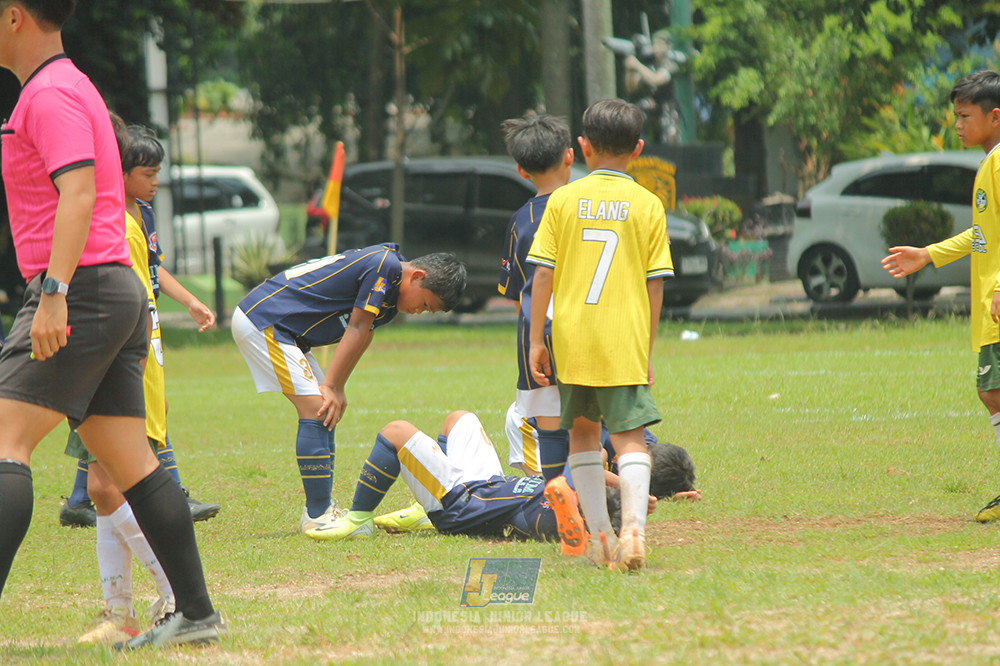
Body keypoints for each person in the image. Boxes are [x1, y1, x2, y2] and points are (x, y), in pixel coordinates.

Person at [0, 0, 224, 648]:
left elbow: (78, 192)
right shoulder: (61, 90)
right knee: (133, 463)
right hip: (109, 289)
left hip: (83, 289)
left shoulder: (52, 93)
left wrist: (55, 293)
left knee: (6, 443)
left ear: (16, 16)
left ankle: (195, 611)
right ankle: (197, 613)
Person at [526, 99, 673, 571]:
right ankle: (634, 533)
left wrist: (536, 340)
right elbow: (655, 285)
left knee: (583, 436)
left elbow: (542, 277)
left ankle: (602, 539)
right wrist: (644, 348)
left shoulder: (563, 200)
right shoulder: (649, 205)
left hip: (572, 338)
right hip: (621, 338)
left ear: (583, 147)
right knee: (629, 438)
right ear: (638, 149)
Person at [232, 245, 466, 535]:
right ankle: (317, 515)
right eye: (425, 304)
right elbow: (356, 326)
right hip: (265, 320)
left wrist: (337, 387)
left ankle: (322, 508)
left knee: (325, 409)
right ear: (417, 276)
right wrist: (329, 385)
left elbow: (365, 332)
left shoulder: (391, 287)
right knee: (317, 410)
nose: (419, 312)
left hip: (284, 330)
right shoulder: (385, 267)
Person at [59, 125, 220, 529]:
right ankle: (172, 493)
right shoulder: (109, 215)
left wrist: (190, 301)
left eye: (157, 174)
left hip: (144, 320)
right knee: (137, 409)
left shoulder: (141, 213)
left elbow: (152, 267)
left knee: (139, 409)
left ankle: (81, 499)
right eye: (148, 175)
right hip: (126, 324)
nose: (155, 183)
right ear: (122, 172)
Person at [881, 70, 1000, 523]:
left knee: (992, 390)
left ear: (995, 116)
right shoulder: (990, 161)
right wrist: (928, 254)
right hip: (989, 301)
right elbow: (985, 233)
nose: (957, 124)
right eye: (955, 116)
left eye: (965, 116)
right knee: (992, 392)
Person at [303, 409, 698, 544]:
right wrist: (632, 496)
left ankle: (357, 520)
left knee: (396, 432)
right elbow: (586, 465)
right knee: (461, 419)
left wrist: (596, 522)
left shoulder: (546, 517)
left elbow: (579, 480)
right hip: (488, 483)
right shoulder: (566, 492)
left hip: (460, 504)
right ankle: (421, 507)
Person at [498, 114, 575, 482]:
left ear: (520, 169)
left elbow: (518, 298)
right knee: (595, 423)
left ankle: (558, 501)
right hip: (592, 326)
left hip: (540, 334)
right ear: (570, 156)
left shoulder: (521, 220)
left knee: (550, 422)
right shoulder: (585, 208)